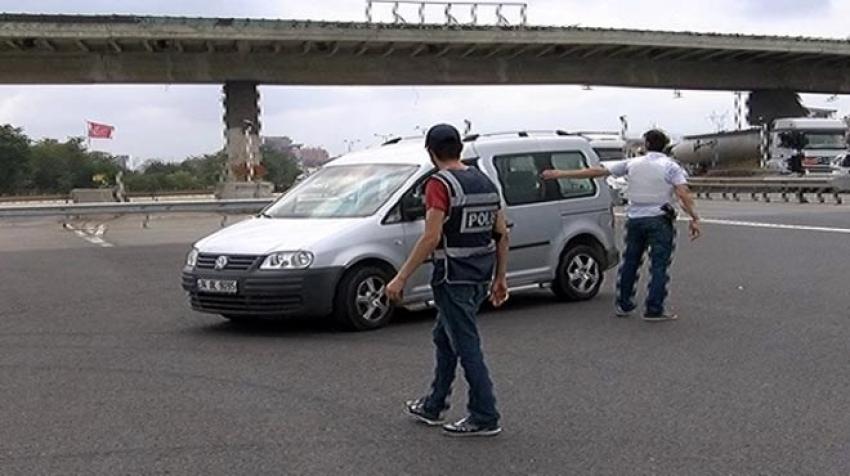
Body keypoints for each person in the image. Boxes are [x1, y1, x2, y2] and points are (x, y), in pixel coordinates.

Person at [386, 123, 509, 437]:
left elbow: (431, 237)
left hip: (452, 276)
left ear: (430, 152)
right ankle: (434, 404)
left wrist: (400, 278)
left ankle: (485, 414)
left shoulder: (439, 184)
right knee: (444, 336)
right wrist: (500, 277)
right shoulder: (485, 181)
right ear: (460, 148)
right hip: (479, 273)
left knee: (466, 345)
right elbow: (501, 232)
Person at [542, 129, 701, 321]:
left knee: (630, 262)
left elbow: (597, 171)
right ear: (665, 145)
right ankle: (654, 309)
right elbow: (683, 192)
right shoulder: (671, 167)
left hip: (635, 218)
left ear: (646, 144)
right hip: (659, 217)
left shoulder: (632, 163)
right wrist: (693, 217)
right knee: (659, 265)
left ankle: (624, 304)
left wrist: (561, 174)